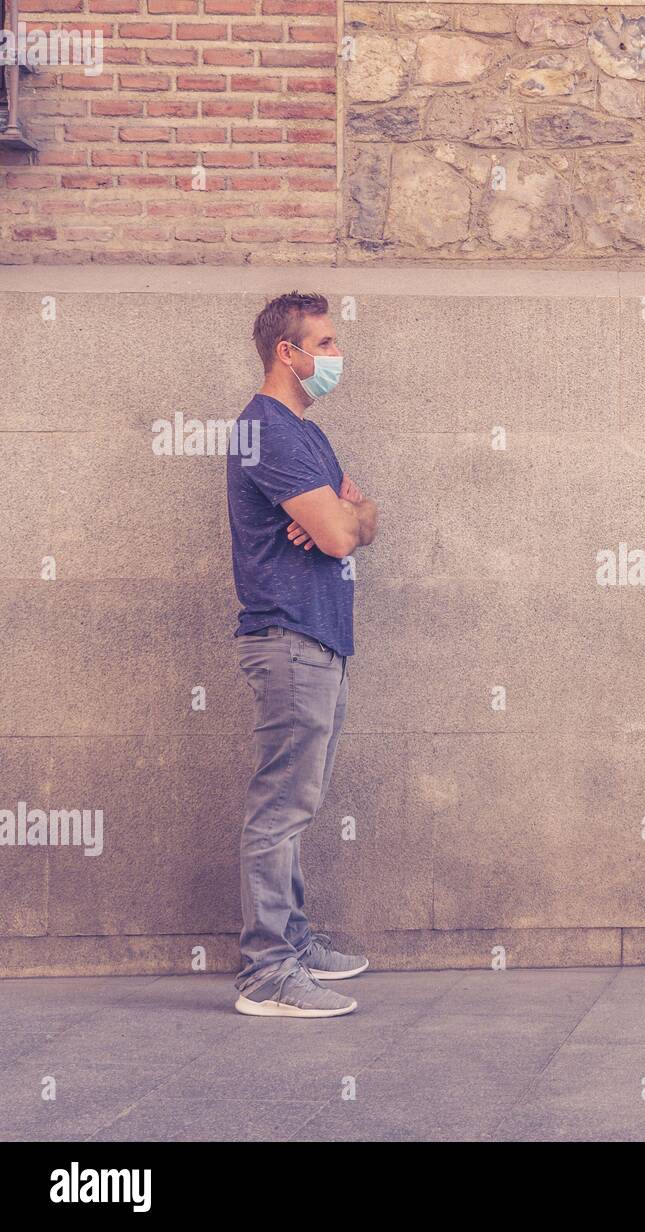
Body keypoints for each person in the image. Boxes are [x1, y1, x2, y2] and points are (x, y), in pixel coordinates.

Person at [226, 291, 379, 1018]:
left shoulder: (306, 432)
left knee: (297, 802)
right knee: (279, 808)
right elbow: (346, 535)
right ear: (287, 353)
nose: (333, 357)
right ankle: (267, 973)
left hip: (320, 635)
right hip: (289, 635)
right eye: (323, 343)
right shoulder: (268, 431)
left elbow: (361, 518)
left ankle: (293, 938)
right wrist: (340, 519)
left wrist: (344, 514)